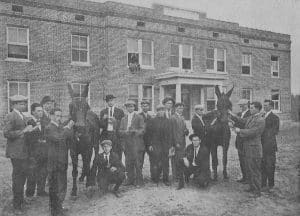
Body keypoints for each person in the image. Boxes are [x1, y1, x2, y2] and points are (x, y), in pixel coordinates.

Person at [3, 95, 33, 212]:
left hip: (24, 151)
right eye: (20, 103)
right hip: (16, 152)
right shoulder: (11, 115)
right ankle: (16, 205)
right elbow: (6, 133)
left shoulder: (22, 115)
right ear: (13, 105)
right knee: (18, 178)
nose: (24, 105)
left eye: (24, 103)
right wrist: (23, 131)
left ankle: (20, 200)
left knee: (23, 175)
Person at [230, 102, 265, 198]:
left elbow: (253, 132)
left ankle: (257, 191)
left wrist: (239, 131)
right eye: (250, 108)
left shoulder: (260, 120)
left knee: (255, 170)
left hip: (254, 149)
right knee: (249, 168)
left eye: (253, 108)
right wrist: (231, 116)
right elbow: (241, 121)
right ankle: (252, 187)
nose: (251, 109)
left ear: (258, 109)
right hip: (248, 147)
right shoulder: (251, 117)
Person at [45, 108, 74, 216]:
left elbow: (69, 138)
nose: (59, 118)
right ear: (51, 116)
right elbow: (58, 138)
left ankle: (59, 207)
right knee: (55, 186)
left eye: (60, 116)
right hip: (54, 162)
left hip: (62, 160)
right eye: (57, 116)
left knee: (62, 184)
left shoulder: (60, 127)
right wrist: (67, 128)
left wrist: (68, 129)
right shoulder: (49, 128)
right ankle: (55, 211)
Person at [119, 100, 145, 187]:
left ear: (134, 107)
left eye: (132, 106)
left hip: (136, 143)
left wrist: (135, 131)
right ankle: (130, 179)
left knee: (137, 163)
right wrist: (125, 132)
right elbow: (120, 131)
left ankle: (139, 181)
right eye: (128, 106)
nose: (130, 108)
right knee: (128, 162)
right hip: (127, 143)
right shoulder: (123, 118)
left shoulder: (139, 117)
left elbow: (142, 130)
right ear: (126, 108)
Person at [25, 103, 49, 197]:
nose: (41, 112)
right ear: (33, 112)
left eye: (41, 110)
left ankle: (41, 191)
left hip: (43, 152)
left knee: (43, 172)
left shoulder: (44, 122)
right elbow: (27, 138)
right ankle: (30, 194)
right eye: (38, 111)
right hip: (33, 153)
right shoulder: (29, 122)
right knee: (32, 173)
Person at [147, 104, 172, 185]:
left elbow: (170, 134)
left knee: (165, 162)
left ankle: (166, 179)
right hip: (155, 144)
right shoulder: (152, 121)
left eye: (162, 110)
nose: (161, 112)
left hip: (165, 145)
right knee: (156, 162)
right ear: (157, 111)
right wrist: (150, 144)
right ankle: (156, 178)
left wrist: (170, 145)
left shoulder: (168, 121)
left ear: (164, 111)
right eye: (159, 110)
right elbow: (149, 134)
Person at [261, 99, 280, 191]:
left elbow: (274, 131)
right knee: (262, 164)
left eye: (266, 105)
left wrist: (261, 132)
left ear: (271, 106)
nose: (265, 107)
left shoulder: (275, 118)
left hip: (269, 145)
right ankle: (263, 183)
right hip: (261, 144)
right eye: (264, 105)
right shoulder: (261, 116)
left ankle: (271, 185)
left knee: (270, 165)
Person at [170, 102, 189, 190]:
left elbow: (184, 128)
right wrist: (175, 142)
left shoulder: (182, 117)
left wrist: (186, 131)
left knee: (181, 158)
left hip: (182, 141)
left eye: (182, 108)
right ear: (175, 109)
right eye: (179, 108)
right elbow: (172, 131)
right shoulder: (173, 118)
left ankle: (179, 175)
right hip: (176, 142)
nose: (180, 109)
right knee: (175, 159)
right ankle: (175, 177)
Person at [100, 94, 125, 160]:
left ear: (114, 101)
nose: (110, 102)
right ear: (107, 102)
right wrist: (103, 119)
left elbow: (123, 124)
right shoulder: (103, 112)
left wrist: (116, 121)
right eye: (108, 101)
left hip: (116, 135)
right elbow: (101, 125)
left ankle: (118, 168)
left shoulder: (120, 111)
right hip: (106, 135)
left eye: (111, 100)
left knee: (118, 153)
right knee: (107, 153)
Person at [235, 99, 251, 184]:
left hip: (246, 139)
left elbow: (245, 125)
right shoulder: (239, 114)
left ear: (246, 105)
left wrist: (239, 128)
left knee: (246, 159)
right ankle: (244, 177)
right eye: (240, 106)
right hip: (239, 140)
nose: (241, 107)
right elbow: (237, 124)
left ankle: (248, 178)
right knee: (241, 159)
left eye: (242, 105)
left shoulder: (250, 114)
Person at [139, 100, 152, 171]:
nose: (145, 107)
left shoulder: (151, 117)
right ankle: (139, 176)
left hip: (149, 141)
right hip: (141, 141)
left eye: (146, 106)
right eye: (143, 106)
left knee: (152, 158)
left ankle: (154, 175)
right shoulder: (138, 116)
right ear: (141, 107)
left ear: (149, 107)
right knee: (140, 159)